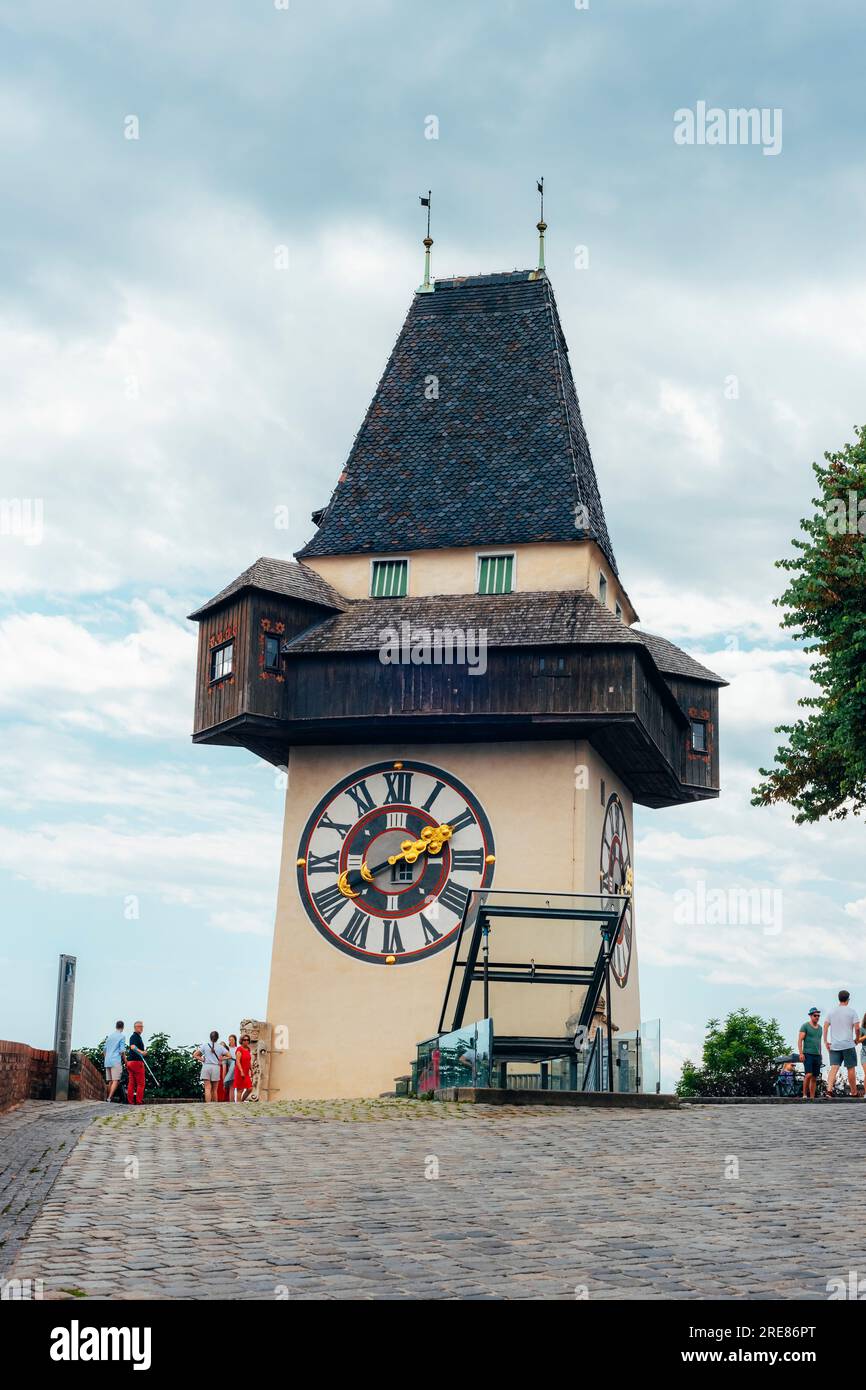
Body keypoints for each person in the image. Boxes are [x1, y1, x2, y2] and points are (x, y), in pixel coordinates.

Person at [824, 990, 861, 1098]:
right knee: (851, 1068)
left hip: (835, 1045)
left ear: (838, 998)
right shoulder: (852, 1012)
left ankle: (829, 1091)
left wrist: (826, 1041)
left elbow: (825, 1026)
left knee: (834, 1067)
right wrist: (857, 1039)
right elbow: (857, 1028)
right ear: (848, 999)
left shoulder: (831, 1012)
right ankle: (854, 1092)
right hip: (848, 1044)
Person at [194, 1032, 228, 1103]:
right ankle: (215, 1104)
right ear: (217, 1038)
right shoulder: (220, 1047)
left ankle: (208, 1104)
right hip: (216, 1067)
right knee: (215, 1089)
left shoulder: (205, 1045)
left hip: (206, 1066)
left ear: (210, 1037)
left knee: (207, 1088)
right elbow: (229, 1056)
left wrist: (203, 1059)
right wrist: (221, 1058)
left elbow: (195, 1055)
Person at [798, 1007, 823, 1100]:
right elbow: (800, 1040)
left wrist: (820, 1055)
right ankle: (804, 1095)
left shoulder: (820, 1028)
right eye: (815, 1015)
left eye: (818, 1016)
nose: (817, 1017)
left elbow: (819, 1042)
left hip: (817, 1055)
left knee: (814, 1077)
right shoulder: (805, 1026)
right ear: (810, 1016)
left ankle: (812, 1097)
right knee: (808, 1074)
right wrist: (801, 1053)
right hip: (807, 1053)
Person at [103, 1020, 127, 1103]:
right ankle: (109, 1098)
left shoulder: (110, 1037)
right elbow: (122, 1051)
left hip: (107, 1061)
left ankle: (108, 1098)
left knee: (110, 1081)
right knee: (116, 1080)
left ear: (116, 1026)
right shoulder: (122, 1037)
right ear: (123, 1027)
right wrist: (126, 1061)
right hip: (115, 1060)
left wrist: (106, 1059)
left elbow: (104, 1050)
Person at [127, 1021, 147, 1105]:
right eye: (139, 1026)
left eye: (142, 1026)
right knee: (140, 1084)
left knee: (131, 1083)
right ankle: (139, 1101)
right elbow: (132, 1047)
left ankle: (130, 1101)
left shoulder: (136, 1036)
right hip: (136, 1062)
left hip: (130, 1062)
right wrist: (142, 1052)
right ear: (135, 1027)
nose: (141, 1028)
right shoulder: (135, 1036)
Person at [233, 1034, 253, 1102]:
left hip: (246, 1072)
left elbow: (248, 1060)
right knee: (240, 1090)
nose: (246, 1041)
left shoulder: (248, 1049)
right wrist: (241, 1071)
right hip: (240, 1071)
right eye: (244, 1040)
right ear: (241, 1041)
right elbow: (237, 1061)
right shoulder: (239, 1049)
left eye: (247, 1040)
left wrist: (251, 1069)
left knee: (250, 1088)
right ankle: (239, 1105)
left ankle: (241, 1101)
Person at [221, 1034, 238, 1102]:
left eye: (232, 1040)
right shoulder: (227, 1049)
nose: (230, 1041)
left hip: (237, 1067)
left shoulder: (237, 1048)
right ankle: (232, 1101)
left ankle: (236, 1100)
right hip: (230, 1068)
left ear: (235, 1041)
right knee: (232, 1086)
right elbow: (223, 1058)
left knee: (237, 1087)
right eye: (229, 1040)